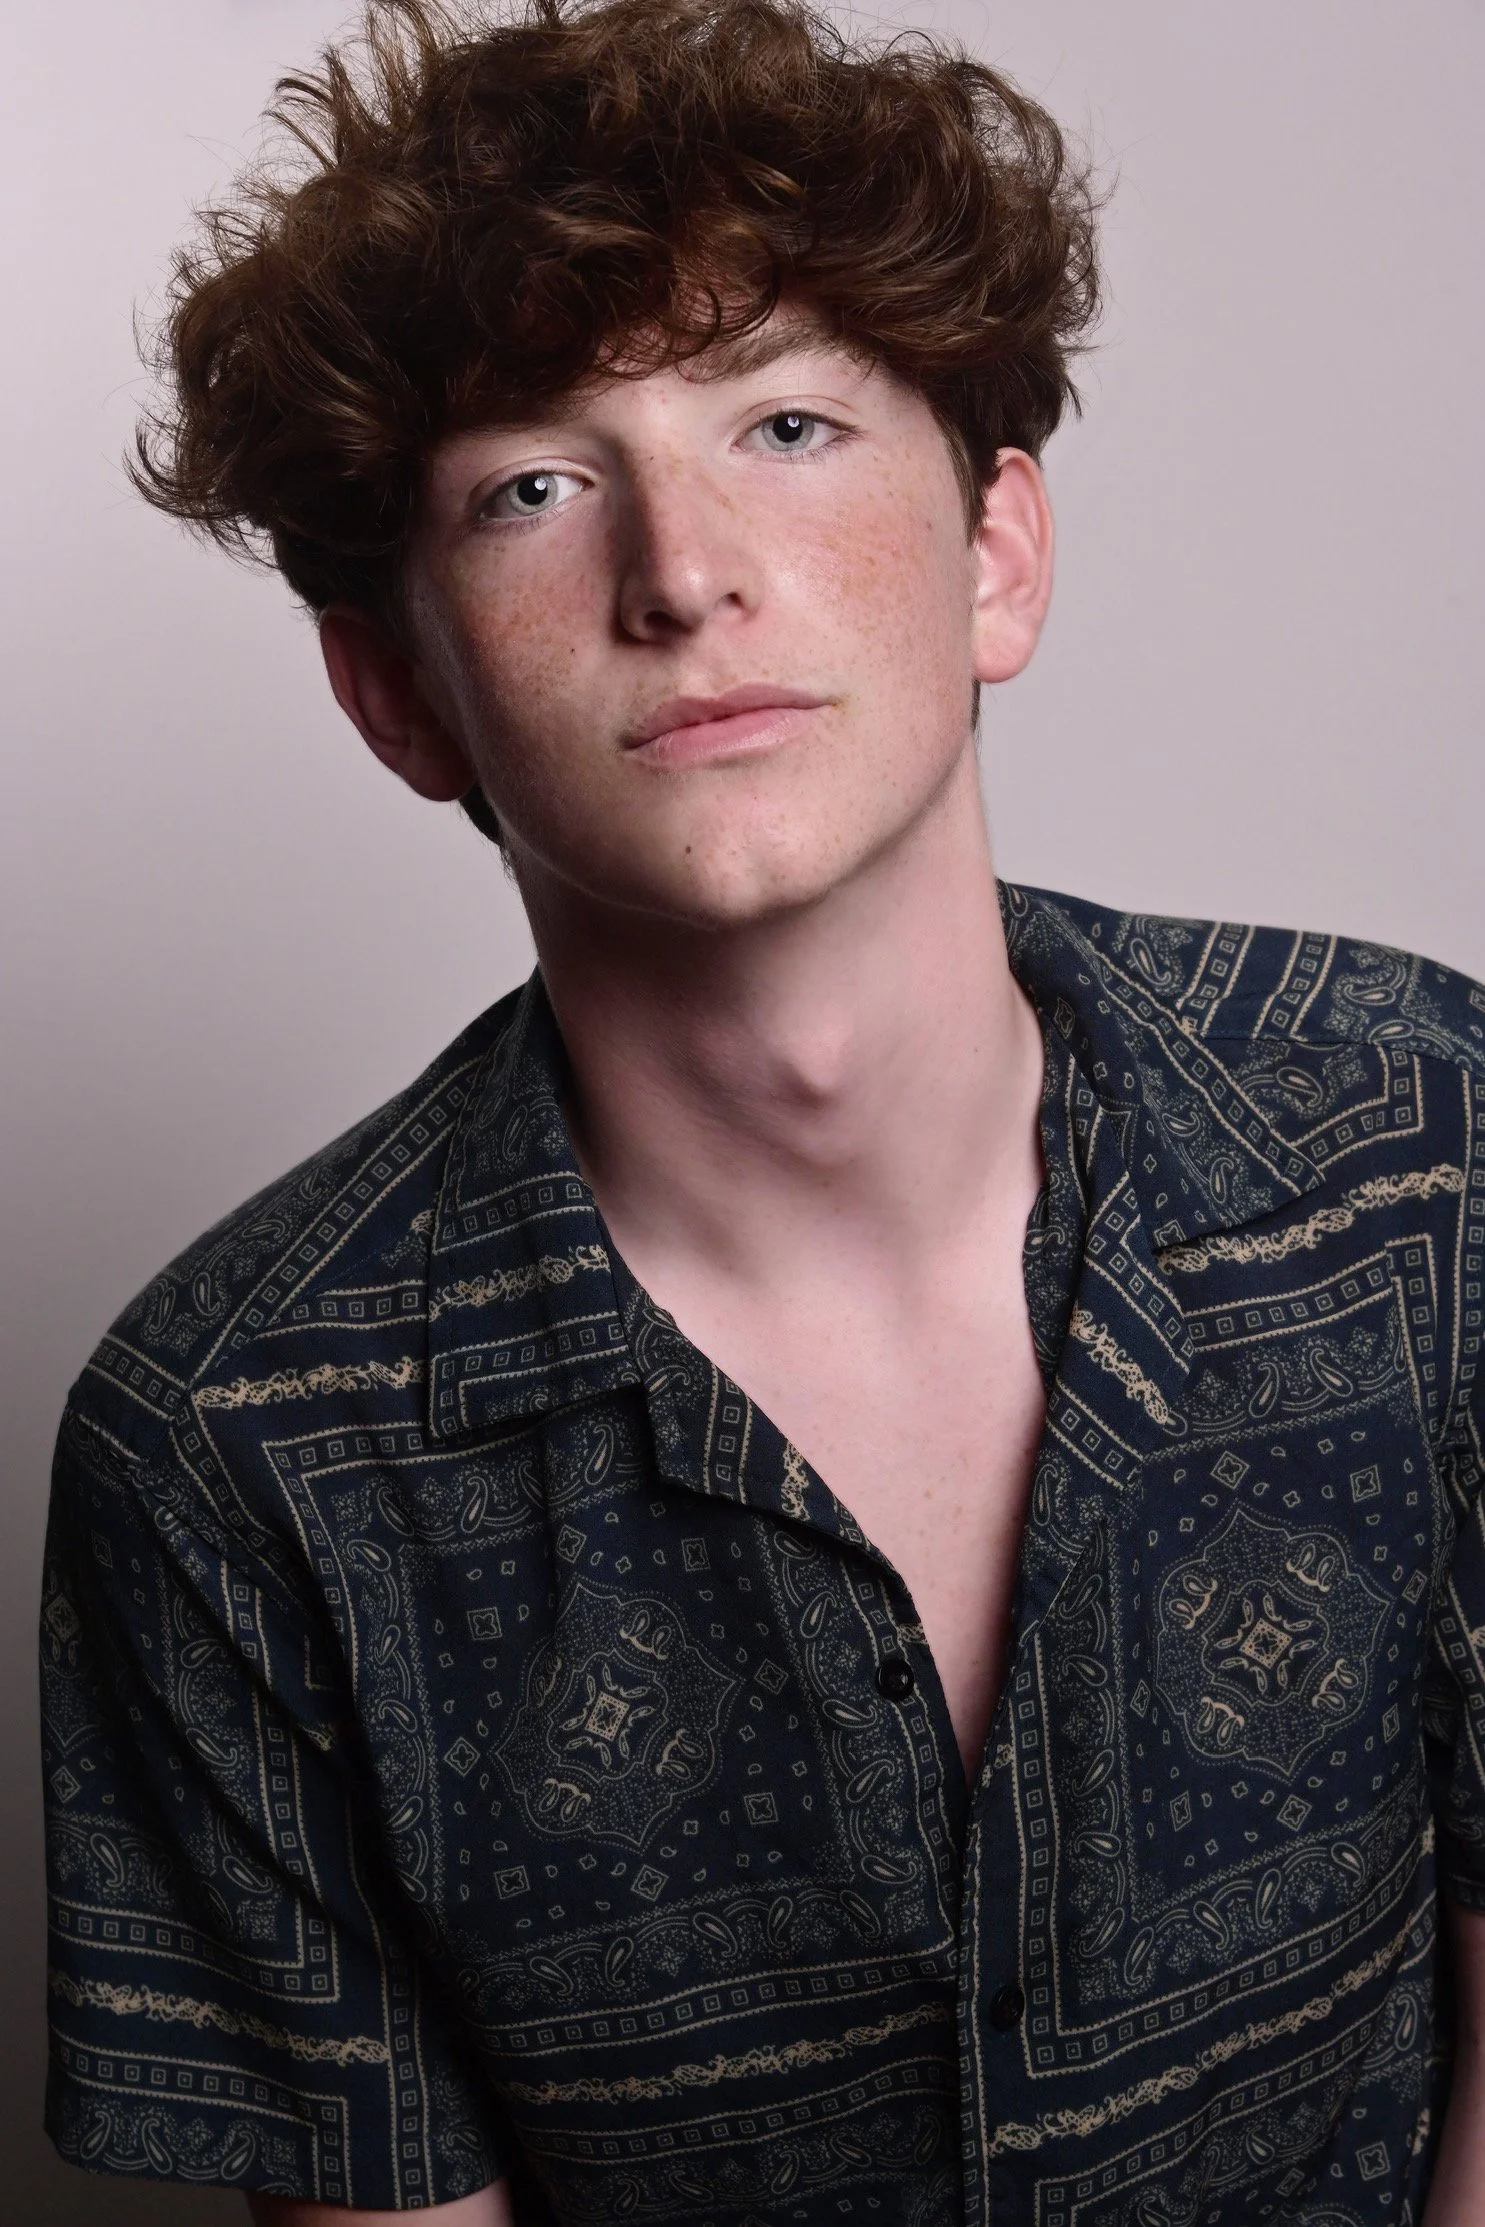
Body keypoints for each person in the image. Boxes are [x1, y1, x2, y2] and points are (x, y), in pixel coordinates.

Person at [38, 0, 1485, 2219]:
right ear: (396, 688)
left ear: (997, 552)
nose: (681, 569)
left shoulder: (1423, 1138)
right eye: (532, 482)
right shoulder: (233, 1443)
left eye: (788, 423)